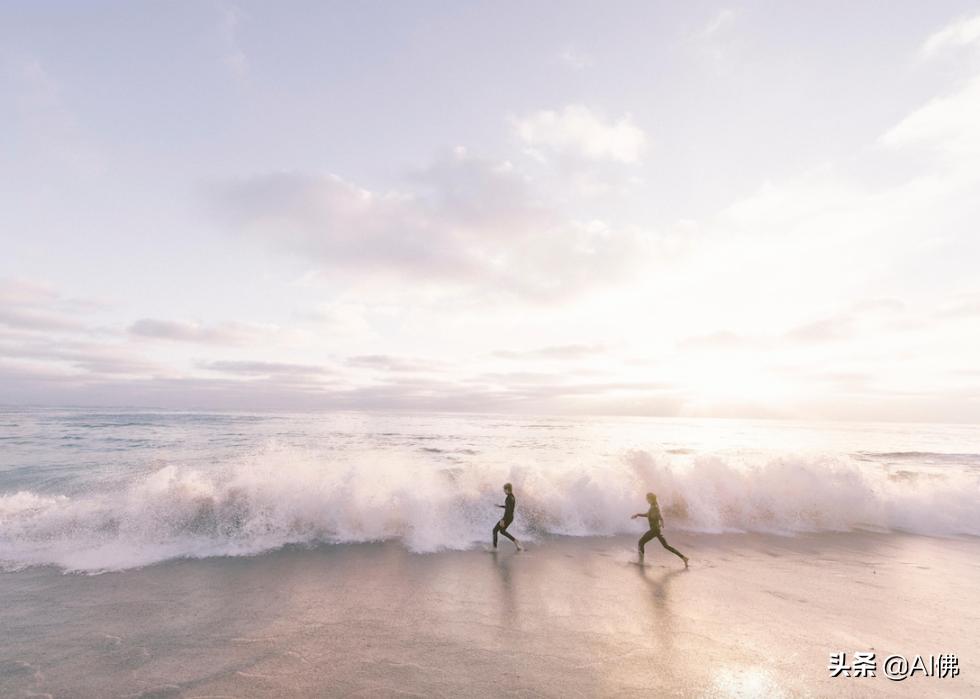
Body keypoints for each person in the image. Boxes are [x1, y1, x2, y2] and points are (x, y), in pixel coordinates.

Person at [631, 492, 688, 568]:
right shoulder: (654, 506)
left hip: (654, 530)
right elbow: (651, 515)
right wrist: (638, 514)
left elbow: (656, 515)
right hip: (657, 530)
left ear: (650, 499)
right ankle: (684, 558)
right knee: (666, 546)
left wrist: (660, 521)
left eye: (647, 498)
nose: (646, 500)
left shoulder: (654, 507)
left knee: (641, 542)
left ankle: (641, 561)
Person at [493, 483, 523, 551]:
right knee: (502, 531)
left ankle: (495, 548)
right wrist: (500, 506)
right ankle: (515, 541)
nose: (504, 491)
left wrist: (503, 520)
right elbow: (509, 507)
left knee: (495, 530)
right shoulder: (512, 497)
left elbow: (508, 511)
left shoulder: (509, 498)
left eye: (504, 489)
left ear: (507, 489)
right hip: (510, 517)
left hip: (507, 517)